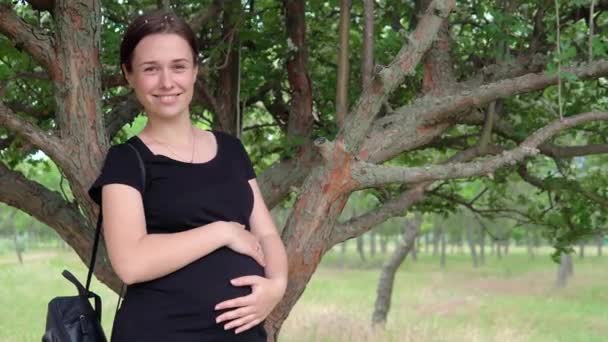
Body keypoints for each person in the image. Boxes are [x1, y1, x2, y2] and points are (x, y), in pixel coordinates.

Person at [88, 10, 288, 341]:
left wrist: (276, 286)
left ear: (195, 70)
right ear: (129, 74)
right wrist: (222, 232)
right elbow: (130, 263)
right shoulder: (126, 161)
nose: (167, 82)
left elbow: (266, 233)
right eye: (151, 69)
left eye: (178, 66)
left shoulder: (231, 150)